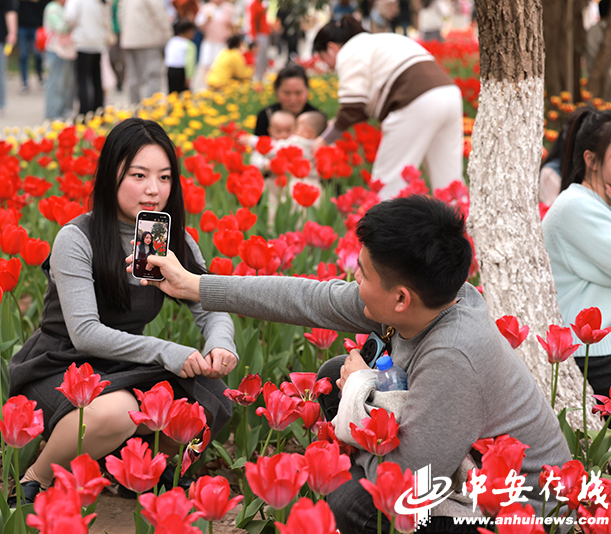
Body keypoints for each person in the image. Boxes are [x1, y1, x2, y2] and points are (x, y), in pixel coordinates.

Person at [137, 195, 572, 534]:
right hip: (453, 462)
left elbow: (405, 485)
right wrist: (195, 285)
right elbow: (308, 298)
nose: (353, 280)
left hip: (516, 512)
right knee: (332, 378)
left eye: (362, 273)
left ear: (400, 298)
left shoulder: (453, 356)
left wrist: (358, 393)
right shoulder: (428, 299)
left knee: (350, 499)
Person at [9, 118, 238, 503]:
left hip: (124, 362)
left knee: (204, 400)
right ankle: (36, 479)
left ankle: (141, 472)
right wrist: (167, 351)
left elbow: (209, 304)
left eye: (164, 177)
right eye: (139, 175)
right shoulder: (77, 238)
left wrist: (220, 344)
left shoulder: (171, 239)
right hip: (62, 364)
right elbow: (85, 333)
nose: (153, 190)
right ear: (110, 176)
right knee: (116, 412)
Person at [542, 108, 611, 443]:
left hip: (605, 342)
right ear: (591, 159)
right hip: (591, 354)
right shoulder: (575, 208)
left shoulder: (598, 205)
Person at [313, 16, 463, 199]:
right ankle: (461, 217)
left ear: (331, 48)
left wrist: (324, 139)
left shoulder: (349, 51)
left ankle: (382, 218)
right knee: (449, 183)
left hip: (414, 102)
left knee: (387, 185)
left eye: (323, 59)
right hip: (449, 94)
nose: (328, 67)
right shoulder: (382, 40)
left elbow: (353, 106)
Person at [118, 0, 172, 104]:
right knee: (153, 76)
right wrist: (168, 35)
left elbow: (120, 14)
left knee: (133, 78)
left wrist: (125, 33)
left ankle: (134, 108)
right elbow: (159, 13)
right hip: (149, 40)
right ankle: (151, 109)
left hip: (129, 40)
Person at [64, 0, 111, 117]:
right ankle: (99, 111)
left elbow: (69, 18)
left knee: (83, 80)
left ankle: (84, 113)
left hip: (83, 42)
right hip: (98, 42)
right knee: (97, 78)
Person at [253, 64, 322, 137]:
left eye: (298, 93)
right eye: (287, 93)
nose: (293, 99)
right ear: (277, 92)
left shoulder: (316, 119)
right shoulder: (266, 116)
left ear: (307, 91)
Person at [42, 0, 76, 120]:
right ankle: (52, 113)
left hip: (66, 50)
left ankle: (63, 111)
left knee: (66, 83)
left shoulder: (63, 7)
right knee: (56, 83)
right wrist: (74, 23)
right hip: (55, 50)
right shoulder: (52, 8)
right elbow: (61, 28)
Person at [194, 0, 234, 81]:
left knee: (222, 65)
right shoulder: (206, 8)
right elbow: (199, 26)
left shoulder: (229, 8)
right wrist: (206, 20)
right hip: (209, 41)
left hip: (223, 42)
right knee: (207, 65)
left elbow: (233, 26)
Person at [16, 0, 46, 94]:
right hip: (22, 27)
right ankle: (24, 83)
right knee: (23, 56)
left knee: (38, 55)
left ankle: (40, 77)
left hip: (36, 27)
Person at [165, 19, 197, 94]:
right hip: (181, 71)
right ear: (188, 31)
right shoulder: (189, 45)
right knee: (184, 94)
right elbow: (190, 62)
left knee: (172, 93)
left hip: (170, 69)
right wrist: (189, 76)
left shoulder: (172, 41)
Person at [247, 0, 269, 81]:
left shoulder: (261, 4)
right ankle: (258, 77)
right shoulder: (254, 5)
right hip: (259, 34)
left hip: (264, 32)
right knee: (258, 56)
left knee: (263, 55)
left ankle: (262, 75)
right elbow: (253, 20)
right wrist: (253, 36)